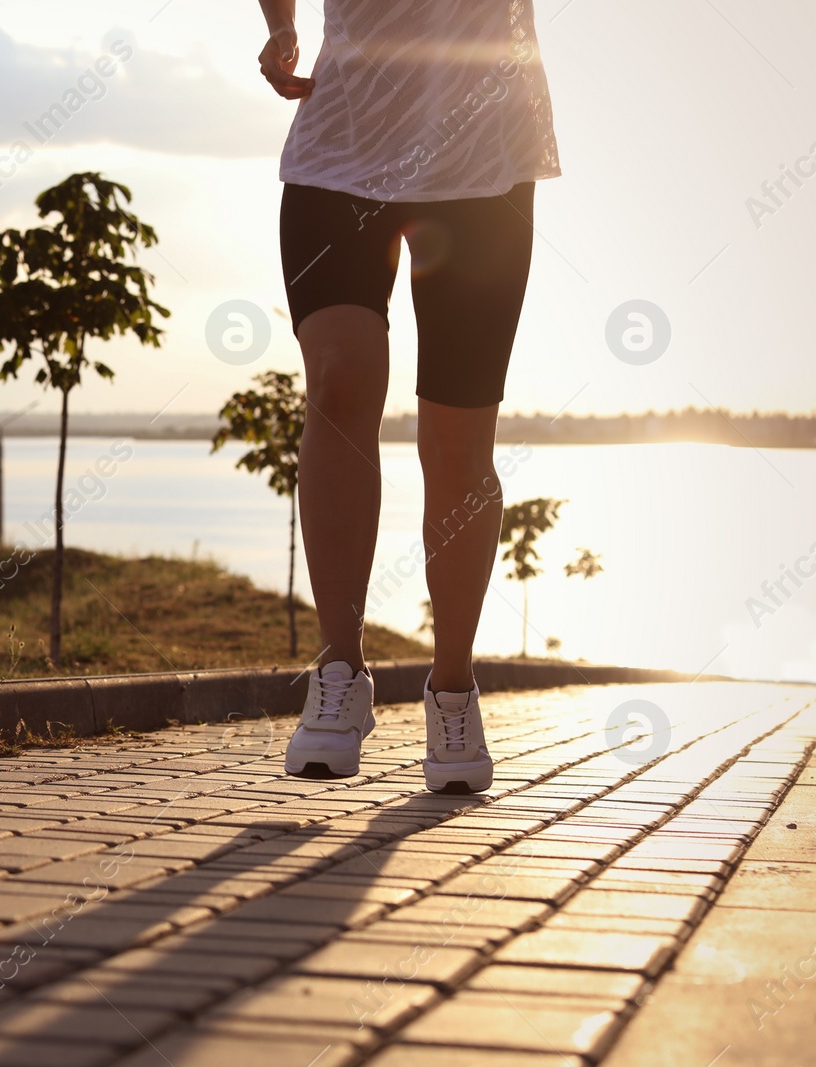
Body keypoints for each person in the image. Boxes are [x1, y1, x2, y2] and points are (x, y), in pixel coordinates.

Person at [257, 0, 560, 792]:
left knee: (457, 441)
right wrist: (281, 24)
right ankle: (340, 671)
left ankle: (451, 686)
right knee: (339, 378)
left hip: (484, 156)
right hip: (343, 142)